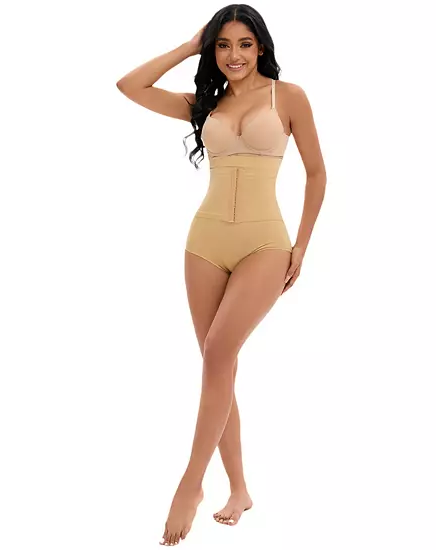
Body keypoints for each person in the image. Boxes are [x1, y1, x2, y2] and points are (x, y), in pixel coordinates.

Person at [116, 3, 326, 546]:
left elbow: (317, 172)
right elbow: (129, 85)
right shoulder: (204, 104)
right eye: (223, 44)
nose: (234, 55)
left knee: (217, 354)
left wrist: (302, 245)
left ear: (262, 47)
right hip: (204, 243)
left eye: (245, 44)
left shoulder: (288, 97)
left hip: (265, 243)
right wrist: (190, 45)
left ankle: (191, 483)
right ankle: (239, 489)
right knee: (217, 363)